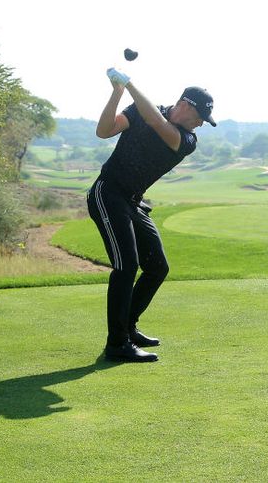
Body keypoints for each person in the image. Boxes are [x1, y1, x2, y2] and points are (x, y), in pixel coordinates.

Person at [88, 67, 216, 362]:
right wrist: (117, 92)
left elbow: (157, 122)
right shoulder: (140, 110)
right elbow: (103, 130)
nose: (200, 124)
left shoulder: (186, 140)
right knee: (126, 266)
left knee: (157, 267)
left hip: (133, 202)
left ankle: (128, 327)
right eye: (199, 118)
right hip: (107, 193)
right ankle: (117, 344)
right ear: (185, 105)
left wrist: (129, 83)